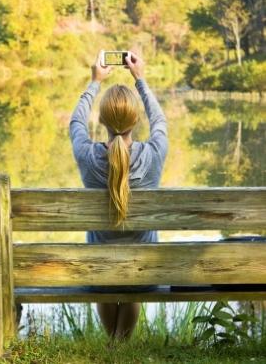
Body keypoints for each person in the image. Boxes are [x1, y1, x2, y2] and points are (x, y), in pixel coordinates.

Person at [69, 50, 168, 340]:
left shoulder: (87, 156)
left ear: (101, 121)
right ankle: (119, 347)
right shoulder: (153, 154)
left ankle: (114, 346)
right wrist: (140, 79)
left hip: (98, 274)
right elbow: (160, 122)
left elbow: (75, 124)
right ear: (136, 120)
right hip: (143, 274)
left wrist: (94, 82)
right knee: (133, 274)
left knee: (105, 278)